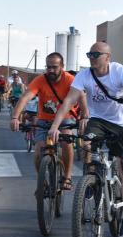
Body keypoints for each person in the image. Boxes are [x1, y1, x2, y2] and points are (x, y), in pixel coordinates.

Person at [48, 41, 123, 237]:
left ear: (108, 57)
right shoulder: (84, 75)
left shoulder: (121, 72)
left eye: (96, 54)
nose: (92, 58)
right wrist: (55, 126)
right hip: (98, 120)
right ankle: (91, 181)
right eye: (89, 55)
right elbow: (69, 100)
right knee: (87, 144)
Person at [11, 53, 79, 191]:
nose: (51, 70)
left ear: (62, 66)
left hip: (65, 119)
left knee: (66, 142)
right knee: (38, 153)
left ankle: (67, 176)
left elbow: (81, 96)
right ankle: (43, 181)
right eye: (48, 67)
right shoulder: (40, 80)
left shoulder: (70, 80)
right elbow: (25, 97)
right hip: (44, 120)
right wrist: (15, 117)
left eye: (54, 67)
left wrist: (84, 116)